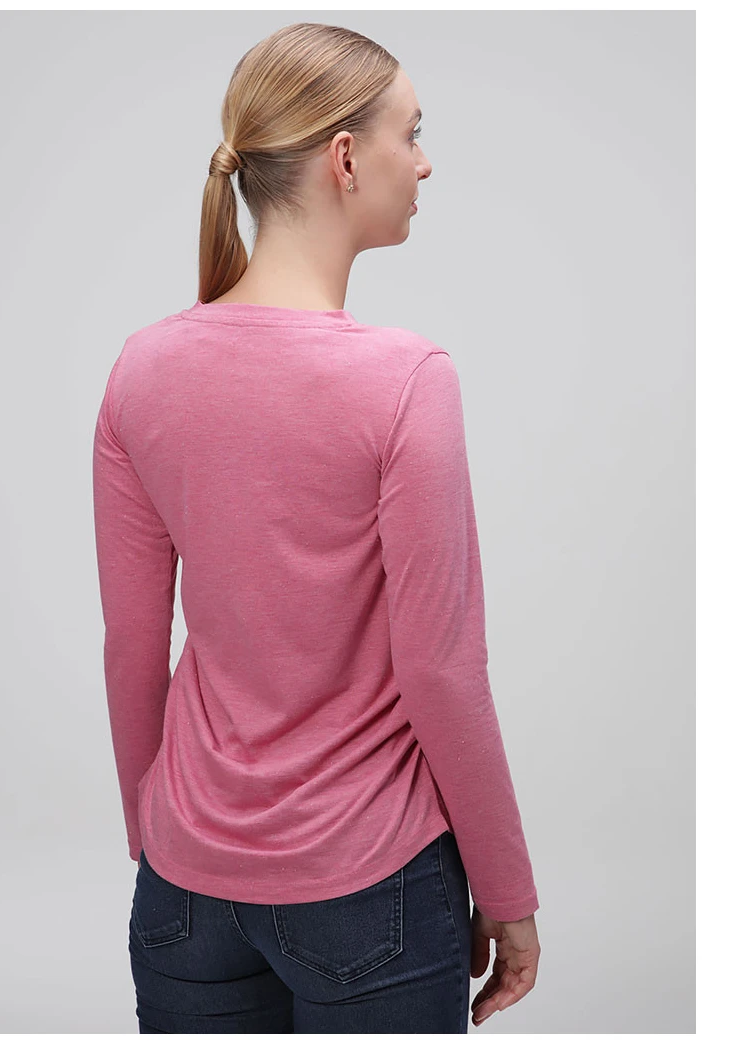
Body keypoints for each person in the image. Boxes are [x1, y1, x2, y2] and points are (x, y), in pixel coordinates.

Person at [92, 21, 541, 1034]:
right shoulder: (407, 380)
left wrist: (155, 840)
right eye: (410, 134)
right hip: (368, 879)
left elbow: (132, 643)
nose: (423, 163)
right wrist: (508, 892)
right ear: (345, 158)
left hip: (183, 887)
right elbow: (442, 671)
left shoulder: (140, 369)